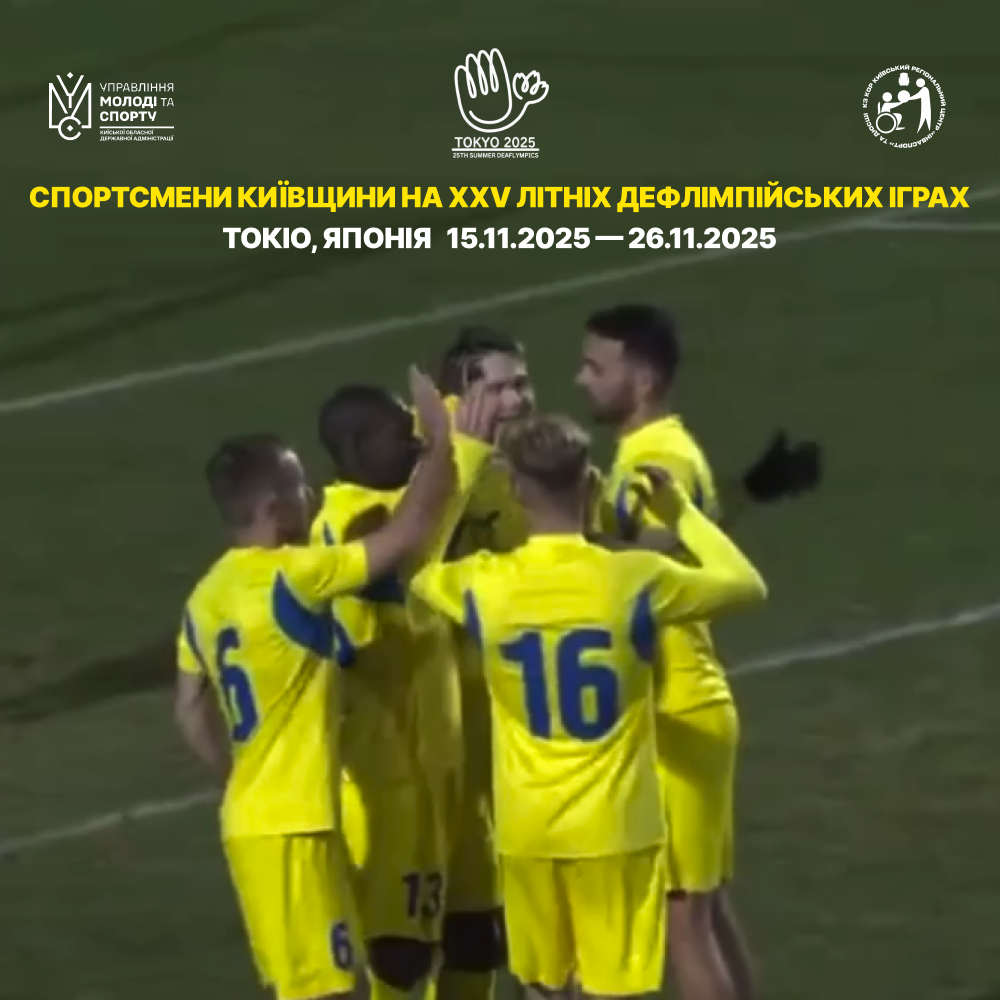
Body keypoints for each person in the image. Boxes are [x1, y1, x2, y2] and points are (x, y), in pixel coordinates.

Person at [410, 413, 767, 1000]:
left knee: (544, 989)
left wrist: (467, 458)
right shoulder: (634, 578)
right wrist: (681, 513)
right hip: (617, 827)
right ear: (591, 484)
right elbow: (745, 583)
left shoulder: (484, 583)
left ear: (516, 491)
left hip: (529, 826)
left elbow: (416, 564)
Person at [172, 370, 456, 1000]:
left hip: (258, 822)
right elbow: (410, 530)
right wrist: (440, 440)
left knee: (328, 986)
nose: (313, 496)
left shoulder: (205, 597)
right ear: (274, 509)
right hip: (293, 829)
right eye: (300, 486)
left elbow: (190, 709)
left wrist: (236, 779)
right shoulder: (295, 576)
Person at [577, 304, 822, 1000]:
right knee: (704, 908)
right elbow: (692, 539)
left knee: (683, 921)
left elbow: (658, 557)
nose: (581, 379)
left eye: (595, 367)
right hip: (687, 697)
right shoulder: (662, 450)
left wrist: (563, 535)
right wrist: (749, 489)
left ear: (644, 380)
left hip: (672, 704)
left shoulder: (655, 459)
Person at [310, 383, 499, 1000]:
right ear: (358, 446)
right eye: (402, 434)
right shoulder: (345, 519)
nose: (416, 444)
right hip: (389, 784)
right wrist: (460, 453)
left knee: (477, 937)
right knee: (399, 956)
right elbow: (406, 553)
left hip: (445, 765)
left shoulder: (399, 498)